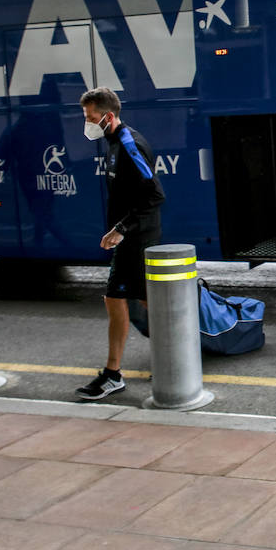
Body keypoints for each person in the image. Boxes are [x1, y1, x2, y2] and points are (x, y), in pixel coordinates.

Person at [75, 87, 164, 400]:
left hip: (139, 237)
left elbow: (155, 195)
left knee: (149, 303)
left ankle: (175, 359)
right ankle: (113, 374)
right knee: (115, 299)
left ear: (108, 116)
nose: (86, 123)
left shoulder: (129, 144)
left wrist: (122, 228)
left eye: (91, 118)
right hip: (126, 236)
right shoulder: (112, 141)